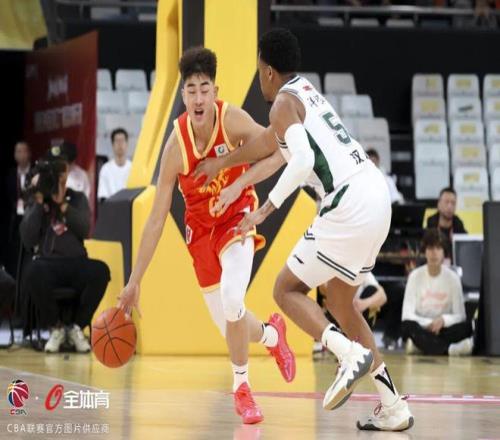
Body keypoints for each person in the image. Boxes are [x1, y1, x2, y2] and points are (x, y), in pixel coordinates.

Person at [195, 29, 413, 431]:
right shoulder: (304, 92)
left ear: (268, 71)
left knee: (285, 289)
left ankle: (347, 354)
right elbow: (270, 148)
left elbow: (302, 161)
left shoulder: (282, 103)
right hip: (376, 195)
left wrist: (265, 209)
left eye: (259, 70)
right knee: (342, 303)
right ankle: (392, 404)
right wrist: (228, 172)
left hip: (347, 202)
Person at [116, 47, 295, 425]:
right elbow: (155, 219)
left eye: (204, 89)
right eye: (191, 90)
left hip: (237, 218)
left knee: (232, 300)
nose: (198, 98)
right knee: (230, 323)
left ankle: (242, 389)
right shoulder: (175, 147)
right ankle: (272, 336)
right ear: (183, 95)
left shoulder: (232, 121)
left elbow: (280, 151)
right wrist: (134, 281)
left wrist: (239, 184)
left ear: (215, 91)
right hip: (200, 235)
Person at [19, 147, 110, 353]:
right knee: (32, 270)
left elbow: (85, 229)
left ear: (67, 174)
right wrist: (39, 202)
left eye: (62, 170)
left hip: (76, 262)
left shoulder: (77, 198)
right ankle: (57, 327)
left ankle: (76, 327)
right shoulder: (38, 199)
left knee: (101, 270)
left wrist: (63, 206)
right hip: (48, 264)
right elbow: (27, 238)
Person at [401, 228, 473, 356]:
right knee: (407, 327)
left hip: (444, 328)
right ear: (425, 252)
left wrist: (443, 320)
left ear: (444, 253)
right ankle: (450, 350)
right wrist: (429, 323)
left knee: (467, 327)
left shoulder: (453, 278)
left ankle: (421, 347)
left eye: (438, 248)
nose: (434, 253)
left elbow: (460, 315)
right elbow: (406, 315)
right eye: (430, 248)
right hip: (422, 327)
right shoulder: (414, 276)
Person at [5, 141, 32, 277]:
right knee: (15, 251)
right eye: (18, 151)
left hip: (31, 217)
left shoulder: (35, 173)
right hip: (15, 220)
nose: (20, 154)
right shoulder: (10, 174)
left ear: (29, 153)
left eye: (23, 151)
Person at [98, 128, 132, 201]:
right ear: (112, 144)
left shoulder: (133, 168)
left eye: (122, 141)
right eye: (117, 141)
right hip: (111, 206)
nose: (120, 144)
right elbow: (103, 196)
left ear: (127, 144)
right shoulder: (105, 169)